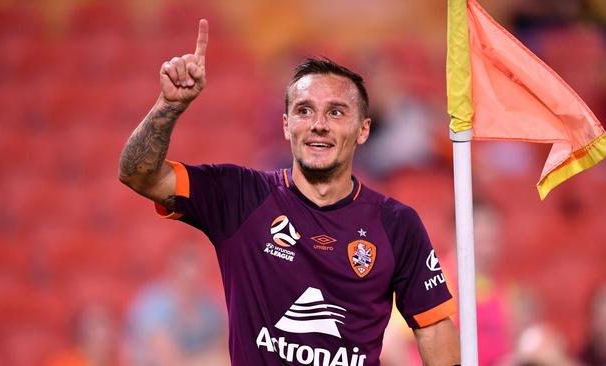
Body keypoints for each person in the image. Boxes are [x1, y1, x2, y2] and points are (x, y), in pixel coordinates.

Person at [118, 19, 460, 366]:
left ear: (363, 130)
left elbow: (432, 325)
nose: (319, 124)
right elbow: (138, 174)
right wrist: (169, 105)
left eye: (336, 112)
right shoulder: (241, 196)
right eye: (304, 110)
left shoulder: (396, 224)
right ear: (286, 125)